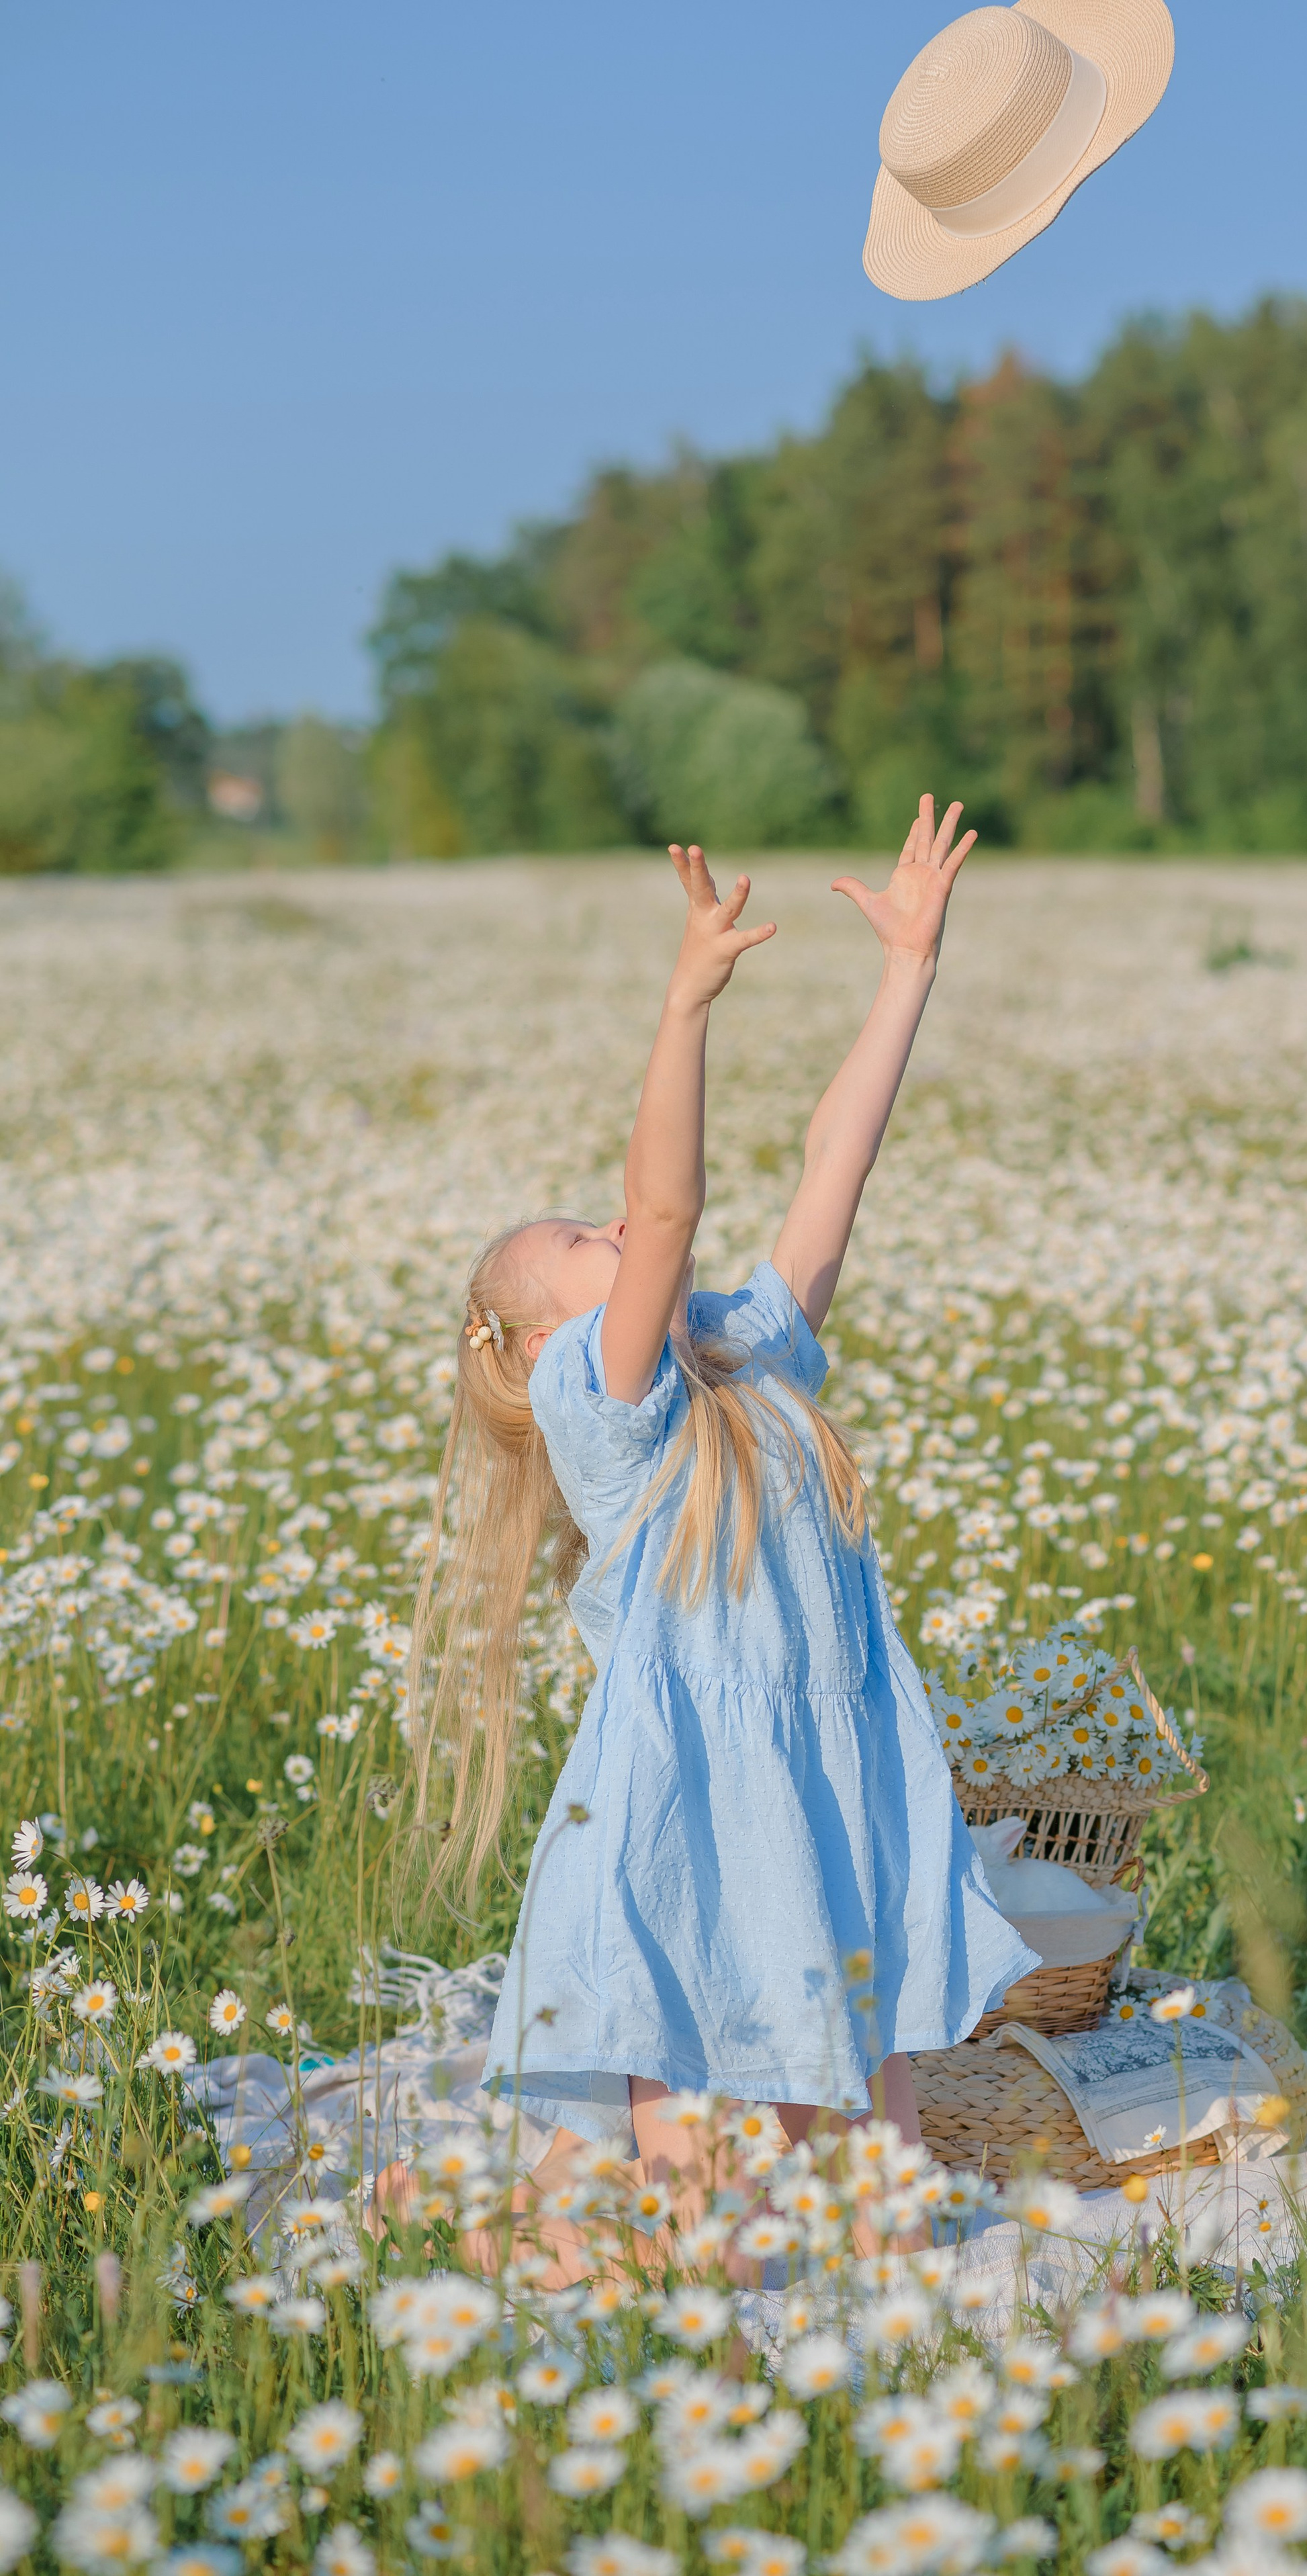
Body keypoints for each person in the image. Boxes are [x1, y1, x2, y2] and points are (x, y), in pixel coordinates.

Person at [392, 796, 1038, 2251]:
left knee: (880, 2209)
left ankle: (529, 2207)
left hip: (837, 1760)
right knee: (680, 2209)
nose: (615, 1235)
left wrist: (906, 974)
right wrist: (683, 1004)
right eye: (580, 1243)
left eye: (597, 1221)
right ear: (536, 1335)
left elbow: (830, 1174)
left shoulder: (750, 1354)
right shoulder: (606, 1402)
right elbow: (667, 1203)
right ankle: (518, 2214)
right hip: (699, 1795)